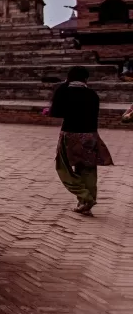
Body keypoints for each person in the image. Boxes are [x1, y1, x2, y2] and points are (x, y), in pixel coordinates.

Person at [47, 66, 113, 215]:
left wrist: (64, 85)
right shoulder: (92, 94)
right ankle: (85, 203)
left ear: (69, 77)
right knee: (88, 169)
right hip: (90, 135)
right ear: (85, 79)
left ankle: (84, 196)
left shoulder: (64, 91)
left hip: (70, 134)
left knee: (63, 167)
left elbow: (56, 112)